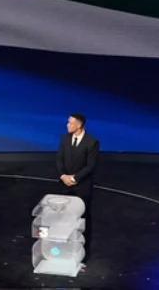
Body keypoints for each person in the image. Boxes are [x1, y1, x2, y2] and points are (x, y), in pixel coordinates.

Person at [55, 112, 99, 264]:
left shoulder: (91, 142)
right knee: (63, 216)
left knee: (83, 217)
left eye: (71, 123)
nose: (67, 125)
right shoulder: (64, 138)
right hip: (64, 184)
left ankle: (83, 254)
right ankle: (65, 248)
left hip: (82, 186)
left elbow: (90, 166)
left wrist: (74, 178)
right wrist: (63, 176)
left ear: (79, 125)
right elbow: (59, 159)